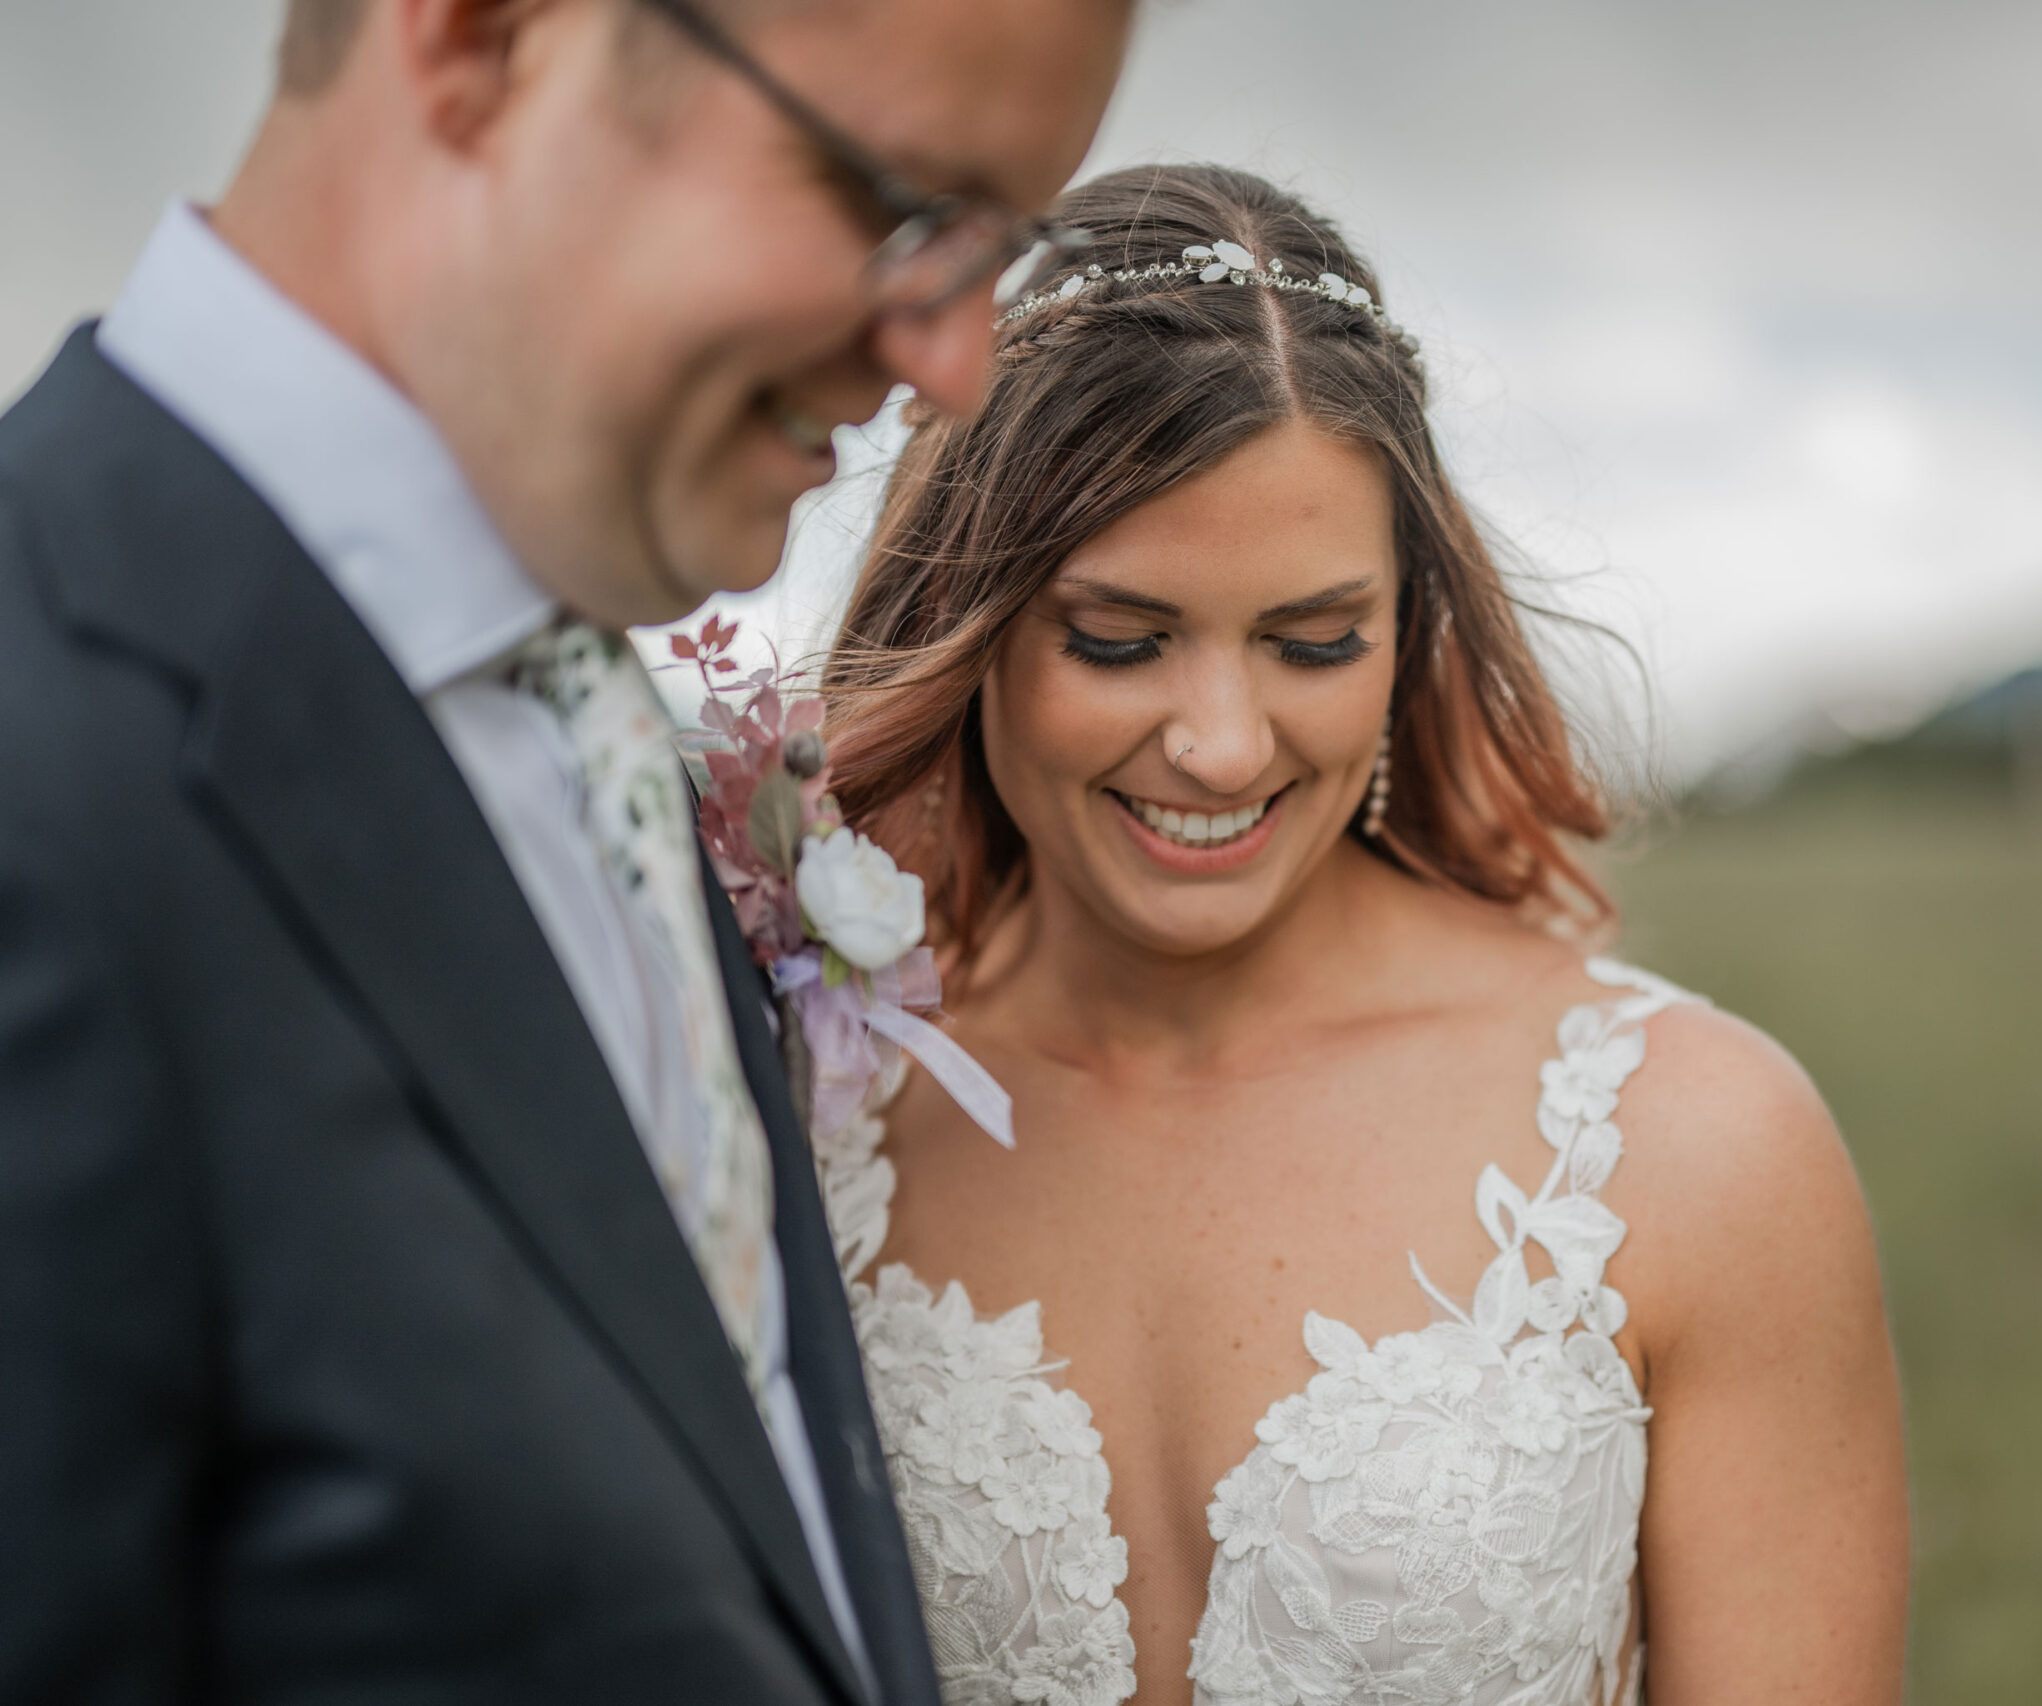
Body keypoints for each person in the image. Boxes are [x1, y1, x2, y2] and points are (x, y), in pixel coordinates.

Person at [0, 0, 1127, 1700]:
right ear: (481, 39)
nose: (954, 359)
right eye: (903, 207)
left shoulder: (593, 705)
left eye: (1001, 247)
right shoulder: (43, 761)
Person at [811, 165, 1910, 1706]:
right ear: (970, 618)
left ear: (1408, 633)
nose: (1220, 741)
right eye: (1120, 638)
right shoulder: (819, 1119)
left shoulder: (1696, 1149)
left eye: (1313, 640)